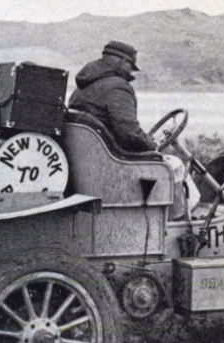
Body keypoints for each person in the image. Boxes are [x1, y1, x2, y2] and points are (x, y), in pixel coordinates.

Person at [69, 41, 198, 219]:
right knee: (175, 165)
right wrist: (152, 145)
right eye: (131, 67)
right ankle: (182, 223)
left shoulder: (81, 88)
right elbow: (129, 134)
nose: (131, 73)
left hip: (92, 166)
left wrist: (145, 140)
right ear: (122, 62)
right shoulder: (117, 87)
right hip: (115, 165)